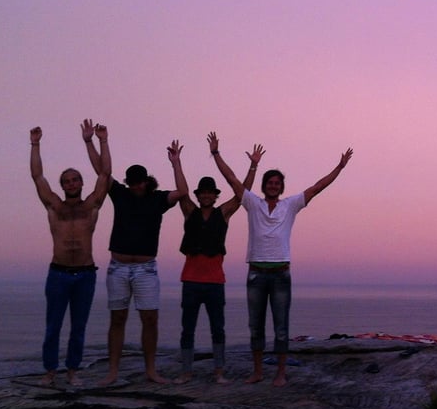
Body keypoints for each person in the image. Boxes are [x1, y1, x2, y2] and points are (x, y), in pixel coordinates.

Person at [212, 133, 353, 387]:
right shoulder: (252, 203)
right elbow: (231, 179)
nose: (273, 186)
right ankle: (257, 372)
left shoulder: (291, 205)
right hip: (256, 273)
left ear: (281, 187)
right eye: (270, 182)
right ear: (264, 185)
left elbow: (318, 187)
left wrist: (339, 167)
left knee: (281, 327)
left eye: (277, 183)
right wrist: (216, 154)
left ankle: (280, 373)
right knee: (255, 326)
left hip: (280, 275)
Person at [85, 126, 188, 384]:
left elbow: (183, 191)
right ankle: (112, 372)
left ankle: (151, 370)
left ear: (146, 181)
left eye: (138, 182)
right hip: (118, 266)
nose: (135, 187)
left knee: (149, 319)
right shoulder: (120, 193)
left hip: (146, 269)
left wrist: (176, 162)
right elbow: (103, 172)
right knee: (117, 318)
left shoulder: (158, 199)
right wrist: (95, 141)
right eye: (131, 183)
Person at [174, 134, 265, 384]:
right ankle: (186, 372)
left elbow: (241, 194)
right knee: (188, 328)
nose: (205, 196)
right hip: (190, 280)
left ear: (214, 196)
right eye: (202, 192)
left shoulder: (223, 213)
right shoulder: (190, 211)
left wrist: (253, 165)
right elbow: (182, 193)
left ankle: (219, 372)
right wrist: (176, 162)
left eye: (209, 193)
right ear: (199, 194)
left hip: (215, 282)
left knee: (218, 328)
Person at [29, 121, 111, 387]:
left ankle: (73, 371)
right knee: (53, 326)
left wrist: (100, 141)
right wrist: (36, 144)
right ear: (62, 185)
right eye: (67, 181)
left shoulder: (91, 205)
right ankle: (50, 372)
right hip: (59, 274)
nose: (71, 183)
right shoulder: (54, 206)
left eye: (75, 179)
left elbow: (106, 175)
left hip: (85, 275)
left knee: (78, 328)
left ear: (81, 182)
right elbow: (38, 177)